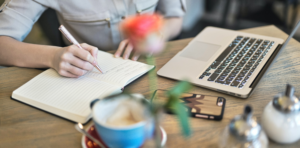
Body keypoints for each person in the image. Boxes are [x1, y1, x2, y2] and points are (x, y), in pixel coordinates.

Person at [0, 0, 186, 78]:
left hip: (150, 67)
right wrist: (52, 56)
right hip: (86, 76)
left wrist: (158, 34)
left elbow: (175, 18)